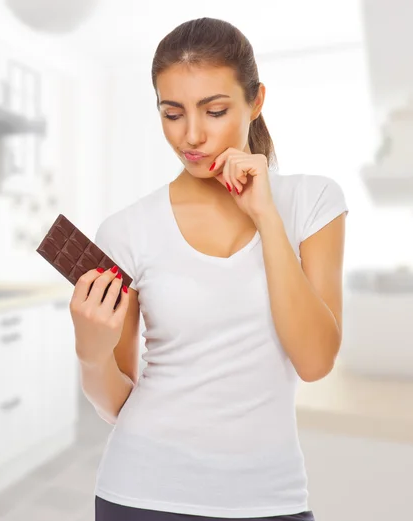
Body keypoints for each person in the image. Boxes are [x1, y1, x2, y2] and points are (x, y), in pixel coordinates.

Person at [70, 17, 348, 521]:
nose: (192, 136)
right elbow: (117, 404)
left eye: (215, 111)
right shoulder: (125, 230)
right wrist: (90, 356)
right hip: (140, 494)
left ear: (255, 101)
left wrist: (265, 216)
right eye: (172, 113)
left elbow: (315, 361)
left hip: (272, 500)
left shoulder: (313, 202)